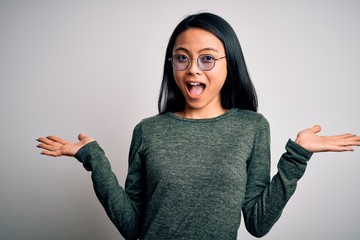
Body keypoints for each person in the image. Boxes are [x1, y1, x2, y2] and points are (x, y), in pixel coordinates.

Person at [36, 12, 360, 240]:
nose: (193, 70)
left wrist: (297, 156)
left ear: (229, 64)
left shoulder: (252, 127)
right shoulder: (148, 131)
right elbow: (132, 227)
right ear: (172, 64)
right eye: (182, 58)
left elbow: (258, 223)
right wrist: (94, 157)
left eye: (207, 58)